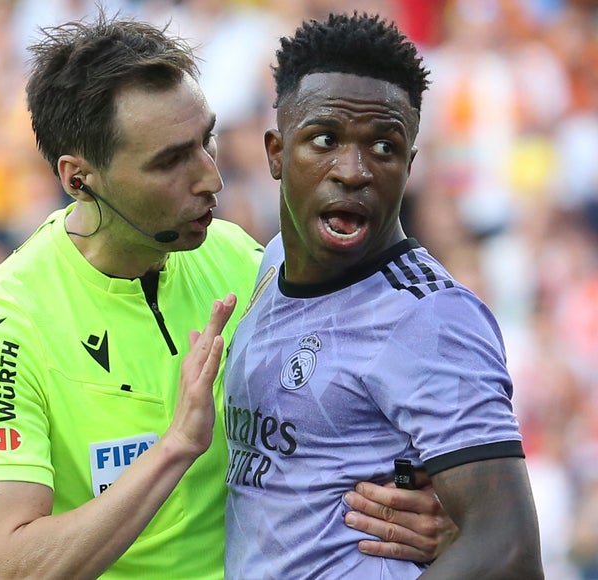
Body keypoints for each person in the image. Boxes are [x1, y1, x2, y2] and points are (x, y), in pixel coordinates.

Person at [0, 12, 453, 579]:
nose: (211, 177)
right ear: (78, 178)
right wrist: (176, 448)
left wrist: (430, 511)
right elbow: (18, 568)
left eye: (205, 139)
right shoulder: (3, 325)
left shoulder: (240, 258)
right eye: (169, 161)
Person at [223, 12, 544, 579]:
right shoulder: (269, 263)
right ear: (276, 152)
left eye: (384, 147)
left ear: (410, 165)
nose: (353, 171)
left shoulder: (431, 316)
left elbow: (509, 550)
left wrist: (460, 530)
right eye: (324, 140)